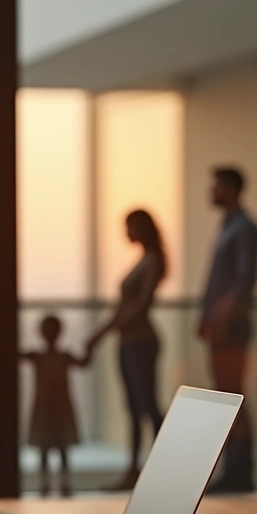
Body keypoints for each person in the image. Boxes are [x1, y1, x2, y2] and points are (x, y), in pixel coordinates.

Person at [86, 209, 168, 491]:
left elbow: (138, 306)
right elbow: (126, 308)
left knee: (147, 405)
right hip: (128, 342)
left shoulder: (152, 261)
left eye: (129, 226)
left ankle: (160, 471)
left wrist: (104, 332)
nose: (126, 232)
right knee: (134, 406)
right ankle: (135, 471)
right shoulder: (144, 260)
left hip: (140, 342)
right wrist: (103, 333)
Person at [198, 166, 257, 493]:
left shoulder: (244, 228)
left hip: (231, 328)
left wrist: (221, 316)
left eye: (216, 186)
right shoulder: (229, 227)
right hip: (222, 327)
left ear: (230, 187)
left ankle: (241, 470)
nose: (211, 191)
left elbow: (244, 280)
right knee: (227, 393)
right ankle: (234, 469)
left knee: (233, 393)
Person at [22, 314, 92, 497]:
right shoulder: (45, 357)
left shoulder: (54, 357)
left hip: (56, 408)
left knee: (59, 448)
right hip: (48, 408)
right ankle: (49, 484)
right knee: (49, 449)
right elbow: (84, 362)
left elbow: (84, 363)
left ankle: (59, 483)